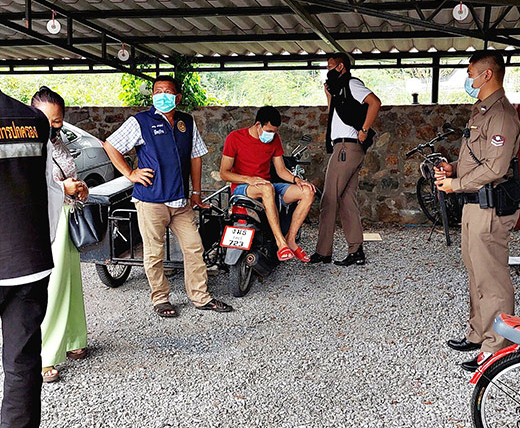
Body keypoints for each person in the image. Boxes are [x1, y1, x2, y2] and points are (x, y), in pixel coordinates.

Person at [102, 75, 232, 318]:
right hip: (151, 201)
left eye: (168, 92)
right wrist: (130, 173)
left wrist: (196, 193)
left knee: (194, 248)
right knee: (154, 253)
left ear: (177, 97)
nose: (162, 96)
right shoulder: (140, 121)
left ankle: (200, 297)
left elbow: (195, 157)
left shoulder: (186, 122)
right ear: (152, 96)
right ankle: (161, 299)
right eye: (158, 92)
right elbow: (110, 146)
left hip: (180, 202)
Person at [435, 51, 520, 372]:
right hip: (475, 203)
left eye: (471, 73)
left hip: (492, 205)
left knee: (492, 278)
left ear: (487, 75)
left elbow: (496, 168)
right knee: (476, 273)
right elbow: (479, 160)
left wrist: (455, 185)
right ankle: (479, 333)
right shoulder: (482, 111)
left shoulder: (501, 115)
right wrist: (454, 168)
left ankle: (497, 347)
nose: (468, 79)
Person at [0, 88, 64, 428]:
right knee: (21, 360)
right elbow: (52, 191)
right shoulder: (31, 121)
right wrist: (42, 242)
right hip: (25, 261)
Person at [31, 87, 89, 383]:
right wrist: (61, 188)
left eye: (58, 120)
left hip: (68, 215)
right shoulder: (29, 145)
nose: (54, 126)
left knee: (71, 282)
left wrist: (79, 188)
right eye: (48, 120)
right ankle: (45, 355)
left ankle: (74, 338)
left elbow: (69, 175)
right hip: (46, 220)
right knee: (52, 288)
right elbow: (27, 187)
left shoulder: (59, 142)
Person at [309, 53, 381, 266]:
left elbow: (375, 102)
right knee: (347, 199)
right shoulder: (339, 89)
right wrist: (328, 95)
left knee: (329, 199)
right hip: (345, 147)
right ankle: (356, 251)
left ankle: (323, 252)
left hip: (345, 148)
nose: (328, 69)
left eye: (330, 66)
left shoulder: (351, 83)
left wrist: (364, 130)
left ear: (341, 67)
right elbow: (335, 114)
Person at [219, 106, 316, 262]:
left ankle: (290, 240)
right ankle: (281, 243)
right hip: (243, 187)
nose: (271, 135)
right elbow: (224, 173)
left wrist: (297, 180)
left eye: (274, 132)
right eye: (269, 131)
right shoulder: (235, 137)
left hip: (267, 185)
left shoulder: (275, 139)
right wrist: (248, 179)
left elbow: (281, 170)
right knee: (267, 188)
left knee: (307, 191)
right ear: (258, 125)